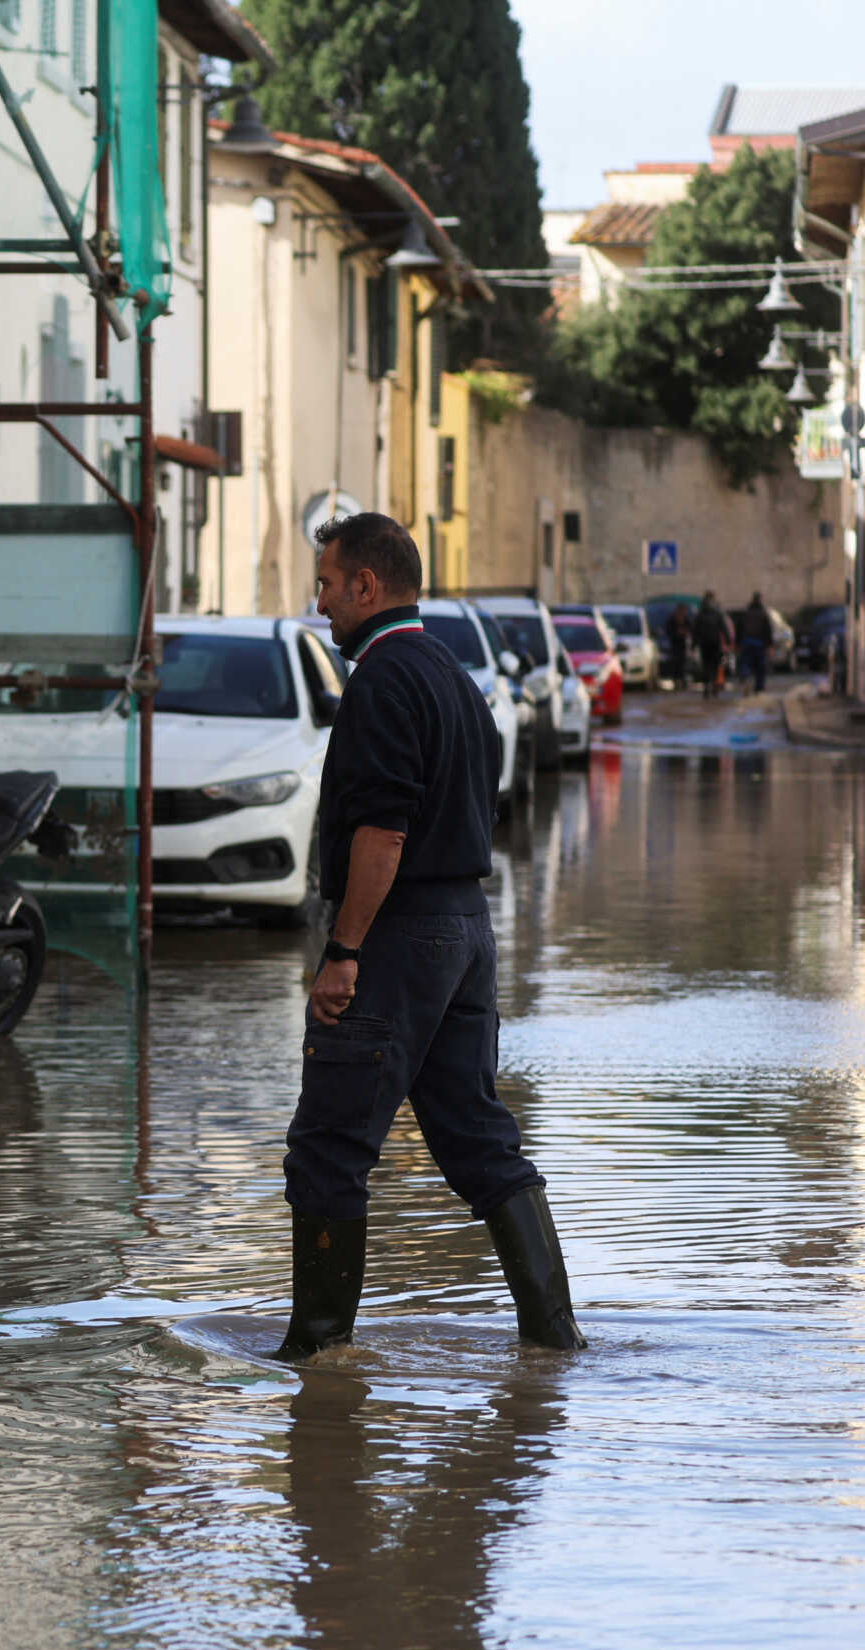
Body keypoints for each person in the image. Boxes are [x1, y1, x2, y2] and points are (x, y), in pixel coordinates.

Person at [277, 509, 586, 1360]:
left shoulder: (381, 680)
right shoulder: (453, 675)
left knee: (328, 1147)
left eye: (330, 585)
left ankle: (316, 1355)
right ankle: (555, 1338)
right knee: (478, 1135)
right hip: (465, 932)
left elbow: (382, 834)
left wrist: (343, 954)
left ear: (368, 586)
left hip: (399, 935)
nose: (322, 601)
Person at [735, 592, 773, 695]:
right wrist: (770, 645)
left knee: (746, 663)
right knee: (760, 667)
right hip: (760, 644)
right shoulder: (763, 613)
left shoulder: (746, 613)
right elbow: (768, 631)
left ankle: (745, 677)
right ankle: (759, 689)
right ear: (760, 600)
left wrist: (737, 643)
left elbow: (739, 629)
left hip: (747, 642)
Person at [695, 591, 730, 700]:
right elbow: (724, 627)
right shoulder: (717, 612)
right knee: (715, 665)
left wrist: (693, 644)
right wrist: (728, 640)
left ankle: (706, 688)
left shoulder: (701, 612)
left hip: (704, 643)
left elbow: (695, 629)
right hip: (715, 643)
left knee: (706, 665)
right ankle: (714, 687)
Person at [662, 603, 692, 690]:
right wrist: (676, 633)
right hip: (675, 644)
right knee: (675, 663)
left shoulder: (685, 619)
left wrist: (685, 632)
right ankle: (676, 680)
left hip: (682, 645)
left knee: (682, 663)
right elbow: (669, 630)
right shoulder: (673, 619)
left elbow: (690, 628)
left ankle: (682, 681)